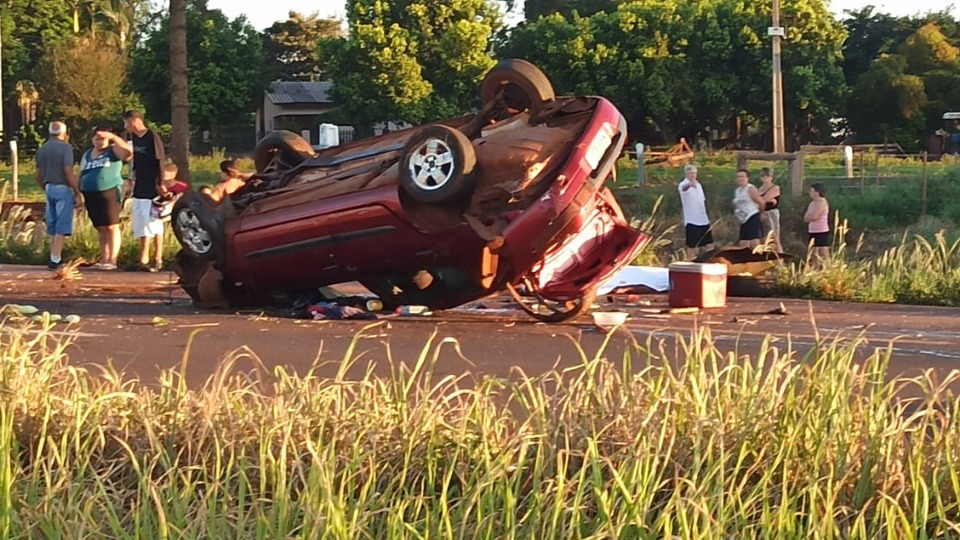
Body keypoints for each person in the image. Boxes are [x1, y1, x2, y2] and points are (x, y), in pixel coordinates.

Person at [80, 127, 132, 270]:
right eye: (97, 139)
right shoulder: (88, 154)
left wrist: (113, 137)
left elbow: (128, 153)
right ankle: (104, 259)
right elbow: (82, 172)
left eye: (103, 139)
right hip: (90, 192)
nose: (100, 142)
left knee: (111, 226)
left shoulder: (113, 151)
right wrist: (77, 191)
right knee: (101, 227)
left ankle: (112, 260)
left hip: (109, 191)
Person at [122, 110, 166, 272]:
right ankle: (143, 259)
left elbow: (159, 159)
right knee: (141, 221)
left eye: (126, 123)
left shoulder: (152, 136)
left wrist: (160, 183)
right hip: (139, 185)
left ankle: (158, 258)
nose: (125, 127)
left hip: (152, 186)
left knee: (154, 222)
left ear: (133, 121)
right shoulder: (133, 139)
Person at [34, 121, 82, 269]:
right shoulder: (65, 148)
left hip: (49, 187)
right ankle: (56, 258)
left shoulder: (42, 149)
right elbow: (68, 171)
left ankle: (53, 254)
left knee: (53, 225)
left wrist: (45, 186)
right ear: (64, 133)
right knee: (62, 224)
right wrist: (77, 191)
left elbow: (37, 174)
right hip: (62, 187)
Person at [677, 164, 715, 259]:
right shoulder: (683, 184)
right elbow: (684, 189)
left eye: (694, 173)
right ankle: (691, 263)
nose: (692, 175)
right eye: (690, 173)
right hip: (692, 221)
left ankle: (709, 261)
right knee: (692, 245)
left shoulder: (698, 185)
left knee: (709, 244)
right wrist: (690, 184)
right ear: (686, 174)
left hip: (703, 219)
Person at [732, 169, 765, 249]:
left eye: (743, 176)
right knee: (743, 241)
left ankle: (757, 257)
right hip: (743, 219)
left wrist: (762, 213)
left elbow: (761, 202)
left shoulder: (750, 189)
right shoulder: (738, 190)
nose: (741, 178)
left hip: (752, 216)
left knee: (754, 240)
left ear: (747, 178)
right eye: (739, 177)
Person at [804, 182, 831, 270]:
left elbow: (815, 216)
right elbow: (806, 217)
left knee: (823, 252)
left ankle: (828, 269)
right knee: (813, 252)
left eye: (812, 191)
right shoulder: (812, 203)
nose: (810, 193)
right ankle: (815, 269)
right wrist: (809, 217)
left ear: (817, 192)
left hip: (821, 231)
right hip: (812, 231)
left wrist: (810, 217)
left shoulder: (822, 202)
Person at [758, 166, 783, 252]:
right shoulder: (759, 189)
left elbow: (762, 200)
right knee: (764, 239)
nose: (765, 177)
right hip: (761, 213)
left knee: (775, 239)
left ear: (771, 177)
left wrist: (765, 200)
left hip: (771, 214)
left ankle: (780, 261)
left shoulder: (775, 188)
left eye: (768, 175)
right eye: (763, 175)